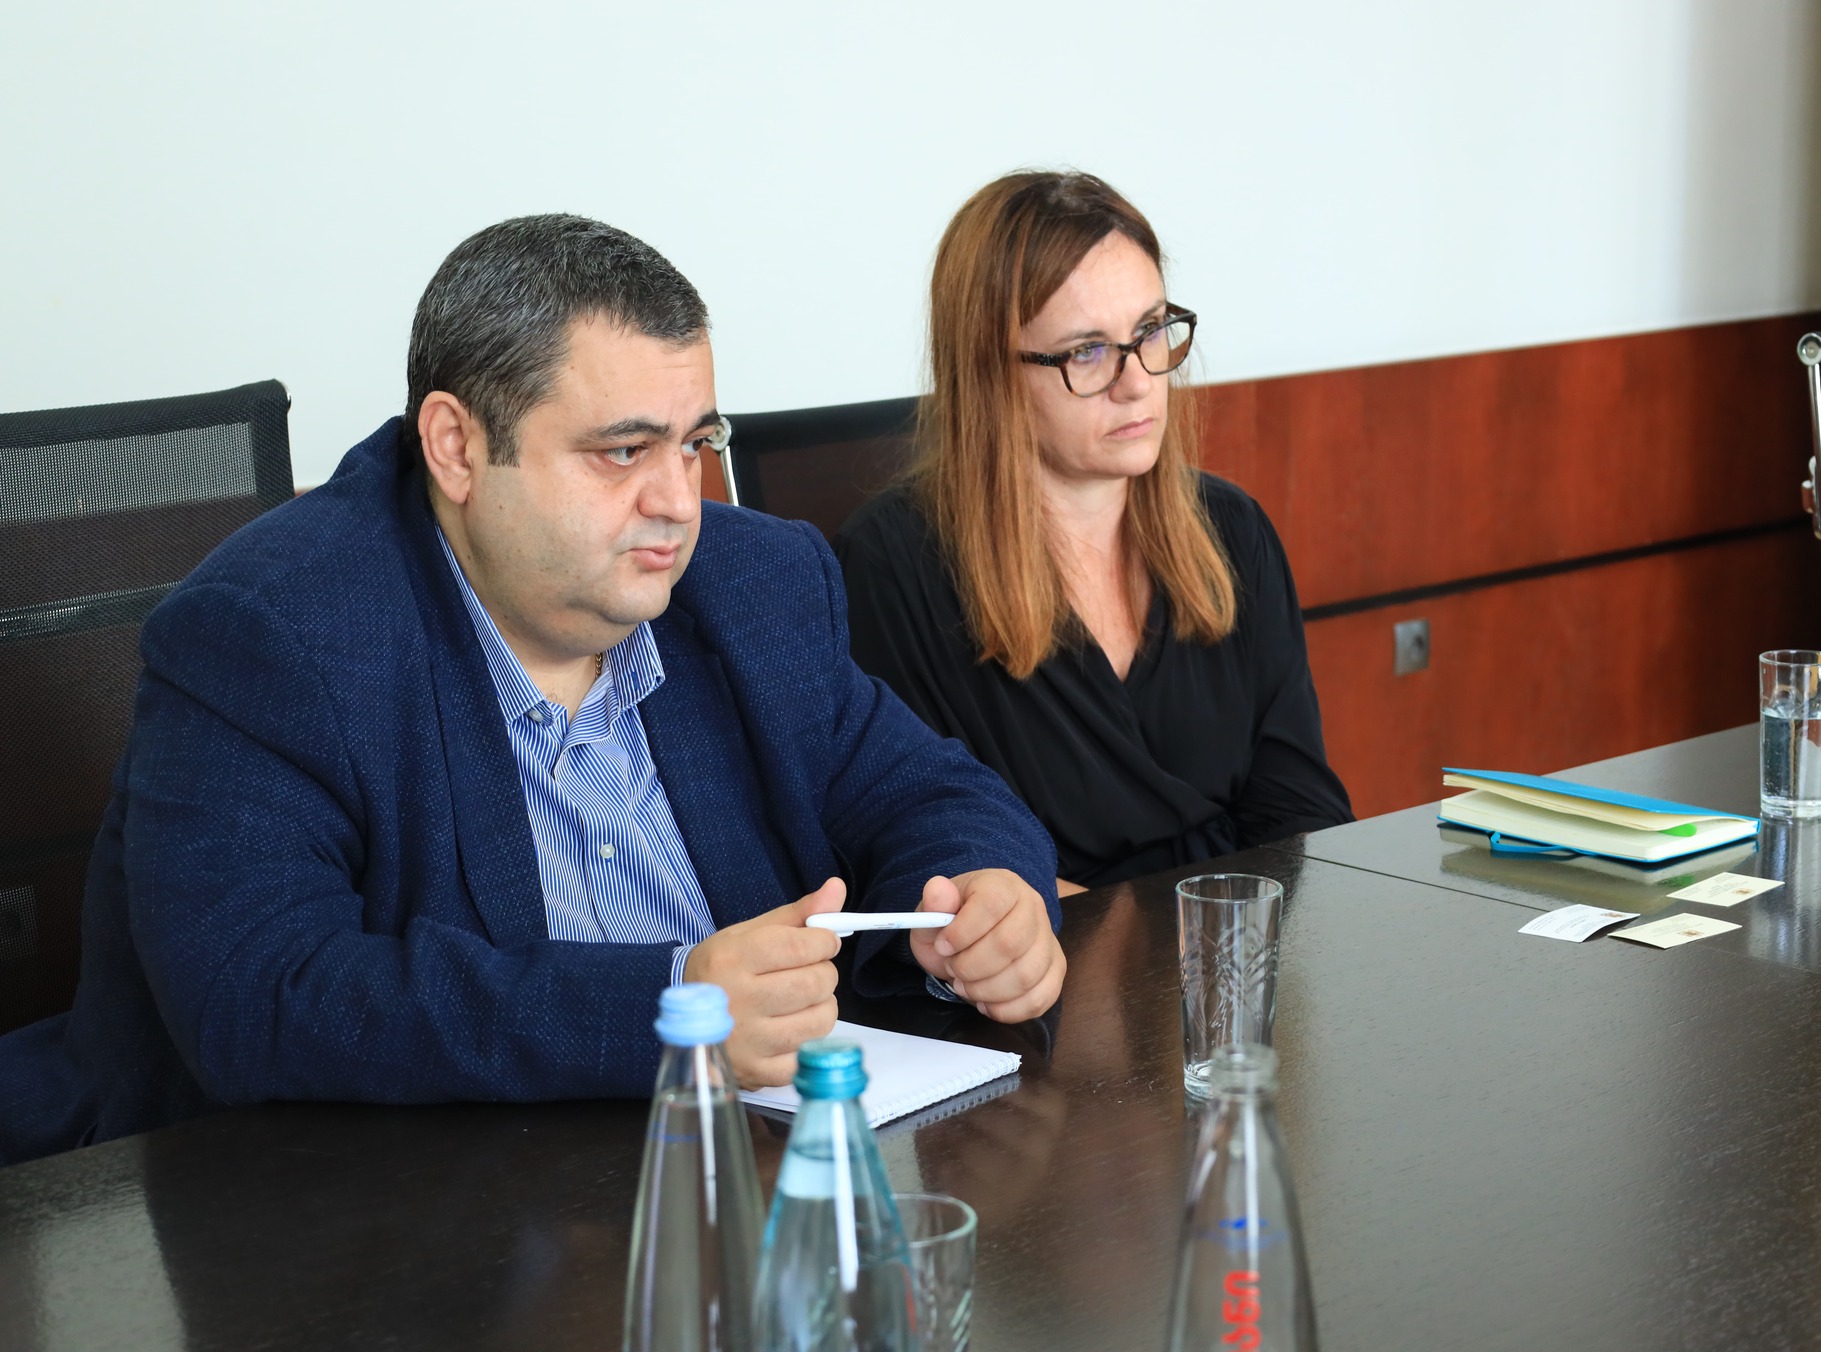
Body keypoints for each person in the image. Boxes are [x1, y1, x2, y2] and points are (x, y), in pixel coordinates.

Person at [0, 214, 1064, 1165]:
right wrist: (673, 1012)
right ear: (457, 447)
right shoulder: (276, 633)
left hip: (722, 1180)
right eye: (622, 451)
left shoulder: (755, 583)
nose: (678, 501)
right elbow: (261, 995)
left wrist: (982, 900)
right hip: (381, 1221)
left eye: (696, 443)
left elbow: (930, 791)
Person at [836, 172, 1353, 890]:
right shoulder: (891, 569)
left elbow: (1300, 814)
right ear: (990, 374)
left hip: (1234, 941)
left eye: (1149, 331)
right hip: (1048, 953)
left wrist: (1221, 939)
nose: (1137, 381)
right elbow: (923, 851)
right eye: (1086, 351)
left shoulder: (1233, 531)